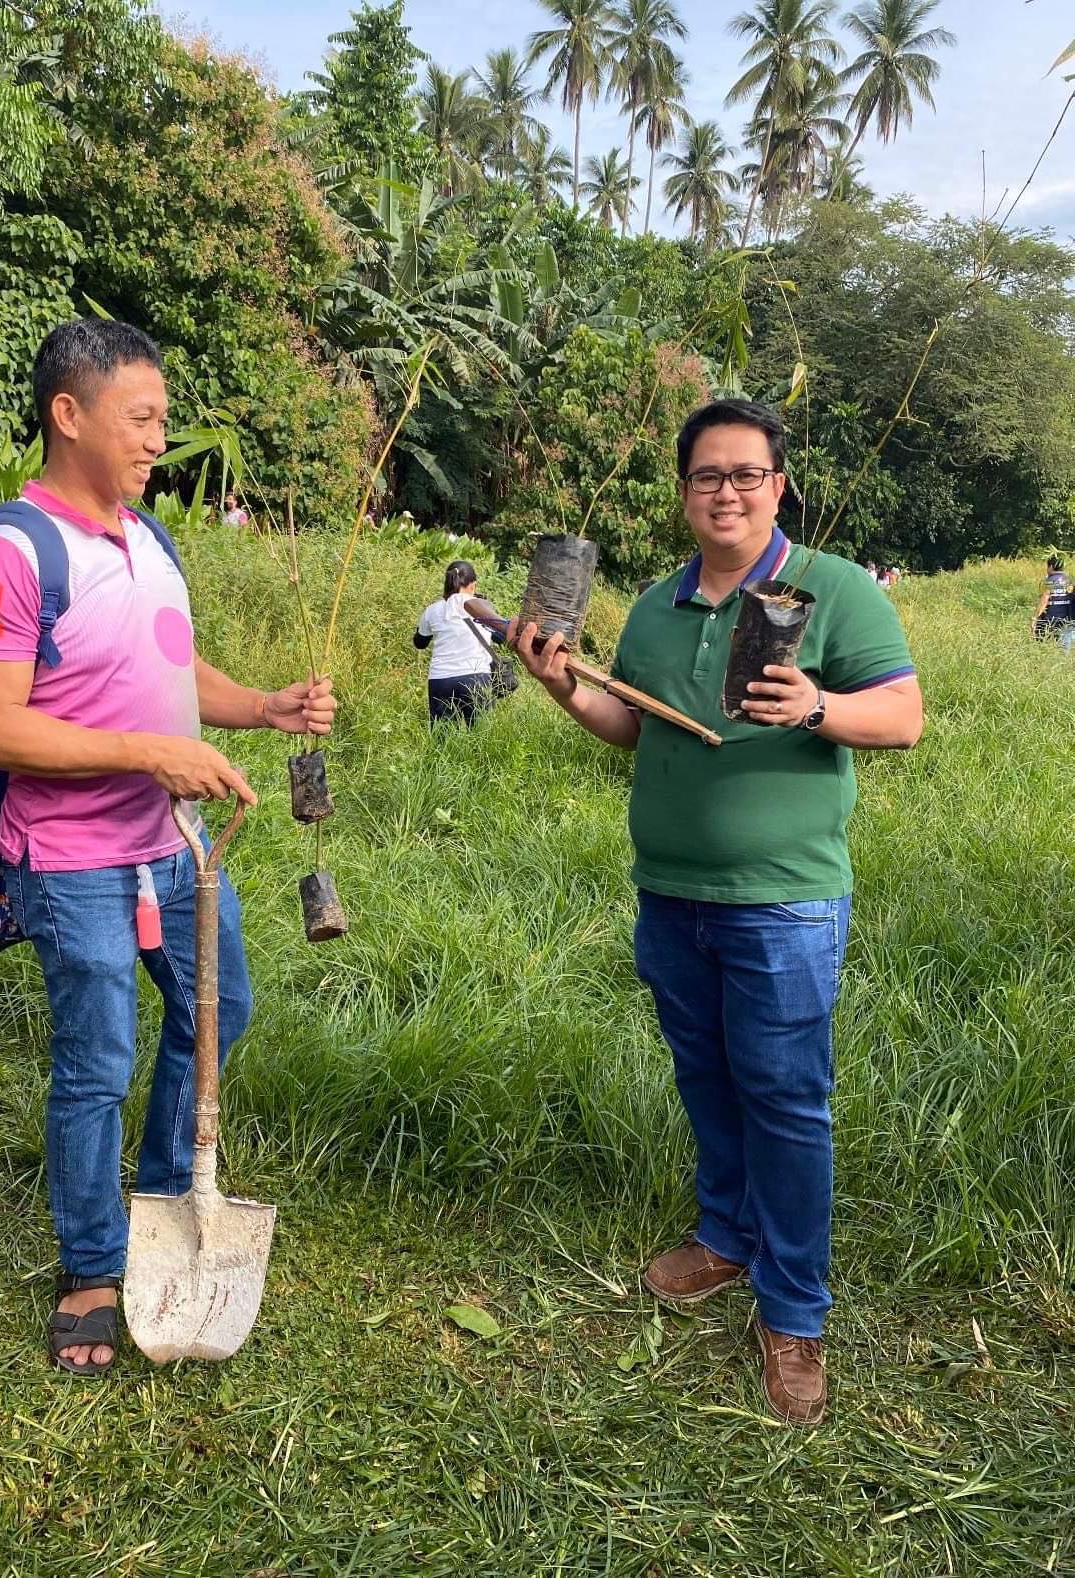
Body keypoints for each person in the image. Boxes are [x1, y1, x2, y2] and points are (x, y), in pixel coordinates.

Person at [510, 398, 923, 1426]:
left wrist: (819, 706)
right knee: (707, 1076)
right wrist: (564, 686)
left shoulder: (827, 592)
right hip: (672, 895)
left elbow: (904, 717)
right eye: (707, 476)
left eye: (746, 474)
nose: (726, 492)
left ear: (779, 484)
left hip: (783, 903)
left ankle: (794, 1312)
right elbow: (631, 727)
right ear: (685, 491)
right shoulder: (656, 606)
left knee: (786, 1102)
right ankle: (727, 1237)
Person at [0, 319, 336, 1375]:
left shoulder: (147, 537)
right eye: (142, 416)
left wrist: (264, 705)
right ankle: (88, 1269)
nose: (161, 438)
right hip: (74, 864)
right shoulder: (6, 553)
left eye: (164, 417)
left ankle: (163, 1197)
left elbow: (176, 668)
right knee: (95, 1063)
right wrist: (146, 753)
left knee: (218, 1013)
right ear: (69, 414)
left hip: (177, 850)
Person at [414, 560, 504, 726]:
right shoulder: (483, 608)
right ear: (473, 585)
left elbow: (419, 643)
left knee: (443, 741)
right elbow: (501, 637)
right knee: (481, 739)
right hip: (476, 678)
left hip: (441, 680)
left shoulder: (433, 610)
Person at [1032, 554, 1075, 650]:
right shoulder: (1070, 581)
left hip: (1050, 619)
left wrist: (1035, 618)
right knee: (1064, 648)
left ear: (1051, 567)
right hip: (1067, 620)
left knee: (1041, 644)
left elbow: (1045, 599)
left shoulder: (1049, 581)